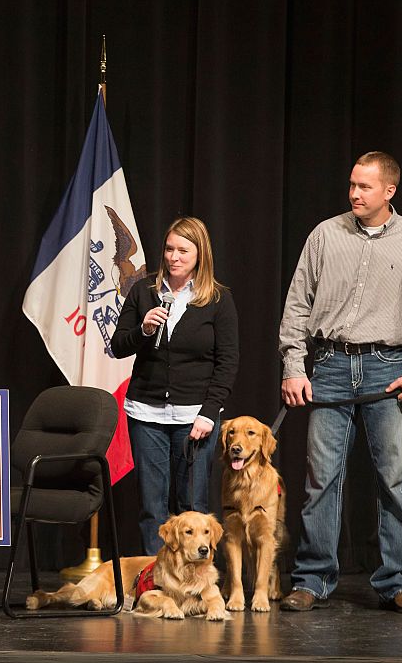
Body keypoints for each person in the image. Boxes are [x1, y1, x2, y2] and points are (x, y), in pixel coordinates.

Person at [279, 151, 402, 614]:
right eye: (352, 184)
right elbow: (296, 305)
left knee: (393, 478)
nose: (354, 193)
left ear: (389, 190)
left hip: (388, 367)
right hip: (330, 364)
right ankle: (312, 578)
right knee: (320, 480)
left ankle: (397, 581)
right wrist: (294, 366)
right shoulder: (325, 235)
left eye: (364, 186)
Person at [112, 216, 239, 554]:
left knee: (192, 505)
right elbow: (117, 345)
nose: (174, 257)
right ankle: (155, 582)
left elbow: (227, 363)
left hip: (195, 417)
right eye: (169, 249)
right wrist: (143, 330)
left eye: (183, 250)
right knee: (152, 507)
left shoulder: (217, 299)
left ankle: (193, 586)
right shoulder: (144, 290)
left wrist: (209, 413)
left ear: (200, 254)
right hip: (146, 414)